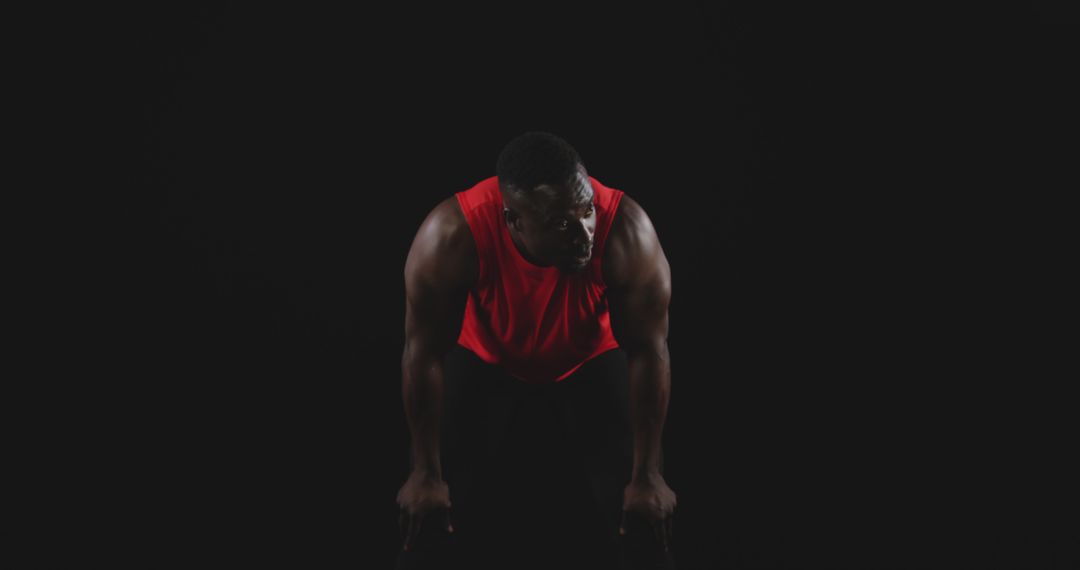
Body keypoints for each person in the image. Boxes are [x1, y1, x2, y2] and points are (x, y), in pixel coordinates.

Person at [395, 131, 676, 570]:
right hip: (486, 358)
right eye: (563, 223)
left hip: (589, 358)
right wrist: (424, 472)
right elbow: (422, 352)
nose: (585, 232)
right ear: (513, 221)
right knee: (427, 512)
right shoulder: (451, 235)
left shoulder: (627, 232)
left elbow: (648, 350)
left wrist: (649, 475)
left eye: (587, 212)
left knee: (642, 514)